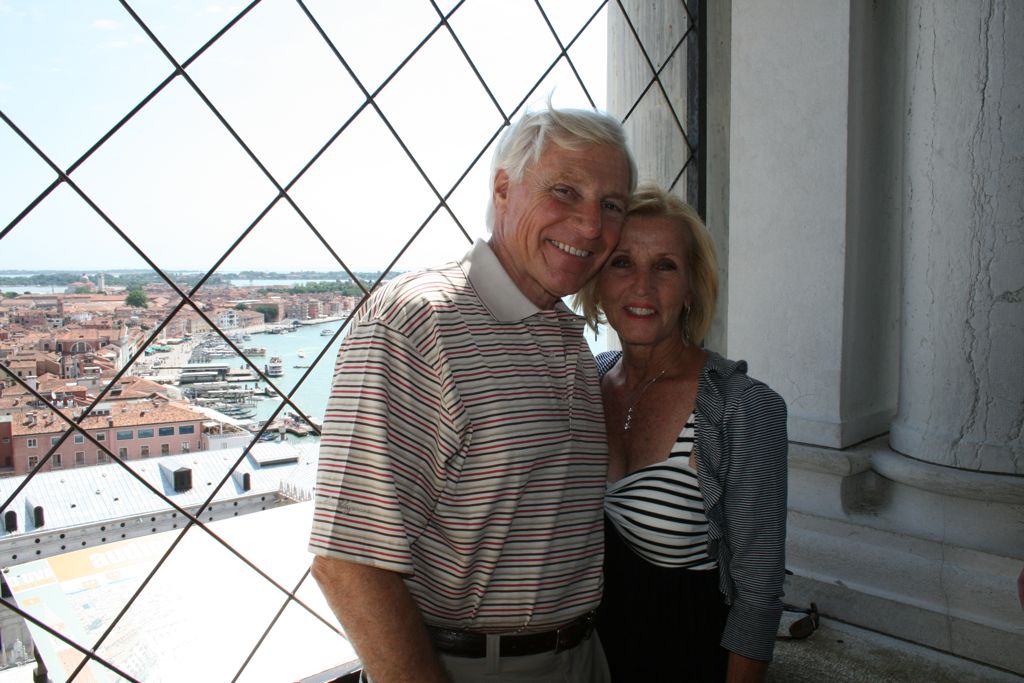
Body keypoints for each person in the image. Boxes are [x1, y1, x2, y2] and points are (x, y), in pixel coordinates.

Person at [309, 107, 636, 683]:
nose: (591, 226)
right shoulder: (416, 322)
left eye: (611, 204)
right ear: (504, 189)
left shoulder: (567, 335)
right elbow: (348, 563)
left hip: (585, 658)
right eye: (565, 191)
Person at [574, 184, 788, 681]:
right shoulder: (585, 382)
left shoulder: (742, 407)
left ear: (692, 286)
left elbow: (758, 592)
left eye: (665, 266)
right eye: (622, 262)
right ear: (598, 281)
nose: (642, 287)